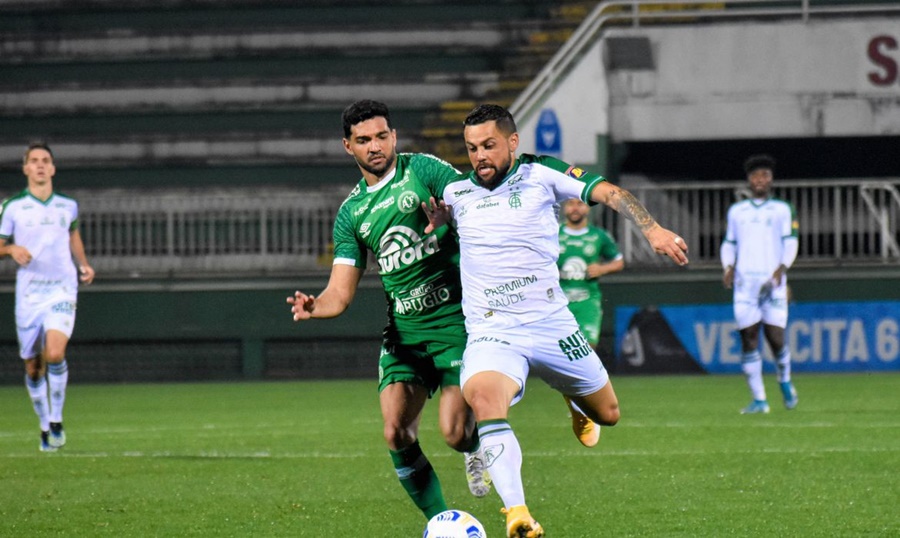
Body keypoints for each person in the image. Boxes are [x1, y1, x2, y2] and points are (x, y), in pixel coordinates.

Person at [421, 104, 688, 537]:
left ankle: (573, 399)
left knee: (609, 414)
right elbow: (453, 236)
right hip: (493, 331)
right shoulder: (456, 195)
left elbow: (610, 193)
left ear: (512, 142)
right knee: (485, 400)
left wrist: (652, 230)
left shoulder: (541, 173)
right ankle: (518, 514)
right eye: (471, 149)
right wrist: (442, 225)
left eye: (489, 145)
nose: (479, 157)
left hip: (551, 323)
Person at [285, 100, 490, 521]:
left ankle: (474, 447)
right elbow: (339, 295)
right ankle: (442, 523)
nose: (375, 146)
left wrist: (450, 224)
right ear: (348, 147)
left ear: (394, 136)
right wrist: (314, 306)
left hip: (455, 322)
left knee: (454, 434)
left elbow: (479, 212)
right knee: (395, 432)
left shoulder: (425, 170)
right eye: (363, 140)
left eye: (381, 136)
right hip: (404, 335)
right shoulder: (351, 214)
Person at [0, 142, 95, 452]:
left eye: (46, 161)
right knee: (33, 366)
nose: (40, 165)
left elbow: (73, 236)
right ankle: (43, 426)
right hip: (29, 294)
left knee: (54, 353)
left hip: (61, 287)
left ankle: (56, 420)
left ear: (53, 168)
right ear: (26, 168)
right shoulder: (12, 207)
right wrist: (11, 248)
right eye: (34, 161)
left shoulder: (67, 206)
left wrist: (83, 265)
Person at [721, 154, 799, 414]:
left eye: (765, 175)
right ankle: (760, 400)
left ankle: (785, 379)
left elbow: (791, 241)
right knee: (749, 337)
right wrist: (728, 266)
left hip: (772, 281)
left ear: (771, 179)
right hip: (745, 283)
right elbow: (729, 243)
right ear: (749, 180)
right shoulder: (737, 211)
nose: (760, 180)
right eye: (755, 175)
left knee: (776, 339)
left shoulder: (782, 209)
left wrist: (782, 268)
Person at [558, 198, 624, 352]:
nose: (575, 208)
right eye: (570, 204)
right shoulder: (553, 233)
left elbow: (619, 262)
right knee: (559, 349)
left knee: (587, 348)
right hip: (558, 301)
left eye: (579, 204)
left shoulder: (599, 235)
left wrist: (602, 269)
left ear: (588, 208)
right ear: (564, 207)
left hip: (588, 301)